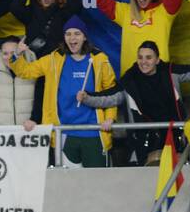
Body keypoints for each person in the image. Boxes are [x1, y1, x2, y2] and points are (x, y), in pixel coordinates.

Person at [81, 41, 190, 167]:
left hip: (174, 134)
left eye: (149, 57)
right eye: (140, 57)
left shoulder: (169, 71)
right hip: (143, 138)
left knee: (177, 177)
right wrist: (87, 97)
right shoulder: (130, 79)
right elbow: (110, 97)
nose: (144, 62)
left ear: (157, 60)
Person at [9, 18, 116, 168]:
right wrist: (16, 55)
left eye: (77, 34)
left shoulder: (99, 59)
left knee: (96, 187)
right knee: (68, 187)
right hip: (63, 133)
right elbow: (25, 71)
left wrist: (110, 118)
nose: (72, 38)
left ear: (85, 36)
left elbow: (111, 92)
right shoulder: (54, 59)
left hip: (94, 133)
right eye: (68, 34)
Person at [96, 0, 181, 76]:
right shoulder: (126, 11)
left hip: (157, 76)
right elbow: (103, 3)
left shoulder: (164, 11)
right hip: (131, 78)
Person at [9, 0, 78, 61]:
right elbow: (15, 7)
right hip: (33, 62)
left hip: (55, 64)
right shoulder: (31, 11)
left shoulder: (62, 12)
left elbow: (75, 6)